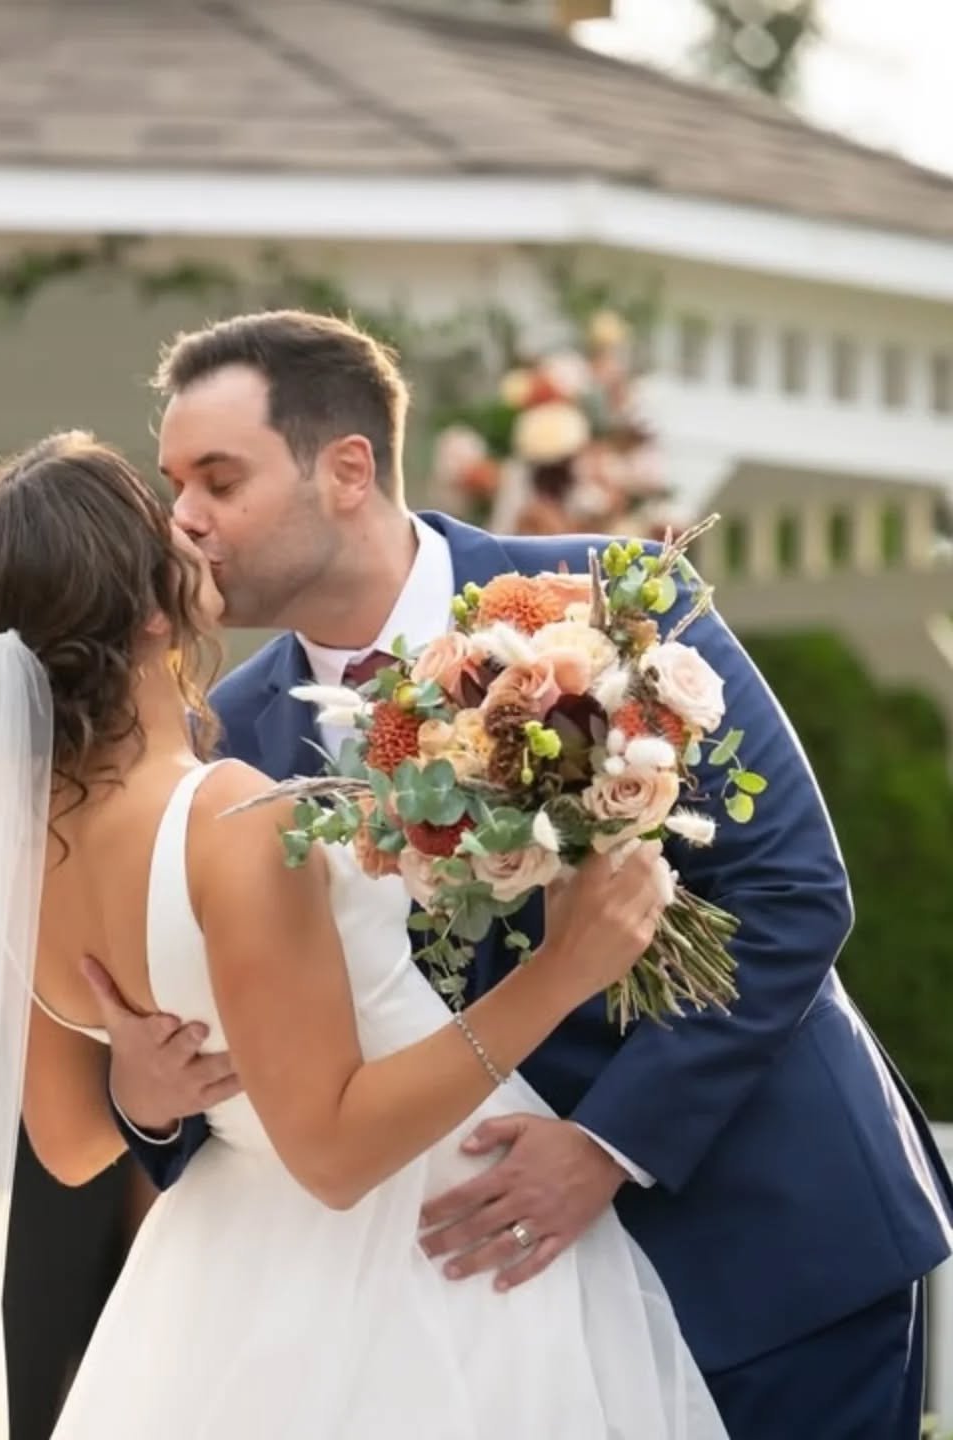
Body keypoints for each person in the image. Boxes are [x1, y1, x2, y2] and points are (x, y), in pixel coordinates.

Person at [0, 431, 724, 1439]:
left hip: (225, 1279)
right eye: (167, 523)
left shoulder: (16, 855)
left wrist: (137, 1097)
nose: (193, 527)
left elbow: (67, 1142)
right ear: (152, 611)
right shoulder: (226, 818)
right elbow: (330, 1153)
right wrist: (558, 975)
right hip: (425, 1262)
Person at [92, 310, 953, 1440]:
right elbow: (282, 1057)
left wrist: (608, 1146)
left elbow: (793, 892)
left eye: (218, 479)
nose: (183, 521)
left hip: (761, 1248)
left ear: (348, 469)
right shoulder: (223, 746)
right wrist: (150, 1107)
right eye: (174, 484)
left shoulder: (620, 600)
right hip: (486, 1333)